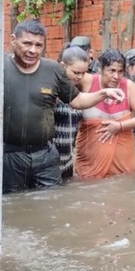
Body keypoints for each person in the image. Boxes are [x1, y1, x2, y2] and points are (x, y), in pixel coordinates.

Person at [3, 20, 125, 194]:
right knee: (13, 204)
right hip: (9, 155)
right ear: (13, 40)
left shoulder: (52, 70)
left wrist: (105, 93)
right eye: (27, 43)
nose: (33, 50)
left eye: (39, 45)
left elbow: (78, 100)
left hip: (45, 154)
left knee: (53, 202)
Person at [75, 49, 135, 179]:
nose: (116, 76)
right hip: (89, 163)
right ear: (101, 68)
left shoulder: (128, 86)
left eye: (120, 71)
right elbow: (64, 78)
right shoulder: (86, 81)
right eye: (111, 71)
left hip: (122, 165)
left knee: (121, 194)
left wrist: (120, 126)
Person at [53, 44, 89, 179]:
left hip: (68, 162)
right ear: (63, 66)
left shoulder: (79, 91)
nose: (80, 77)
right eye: (76, 72)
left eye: (83, 73)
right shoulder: (52, 89)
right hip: (49, 162)